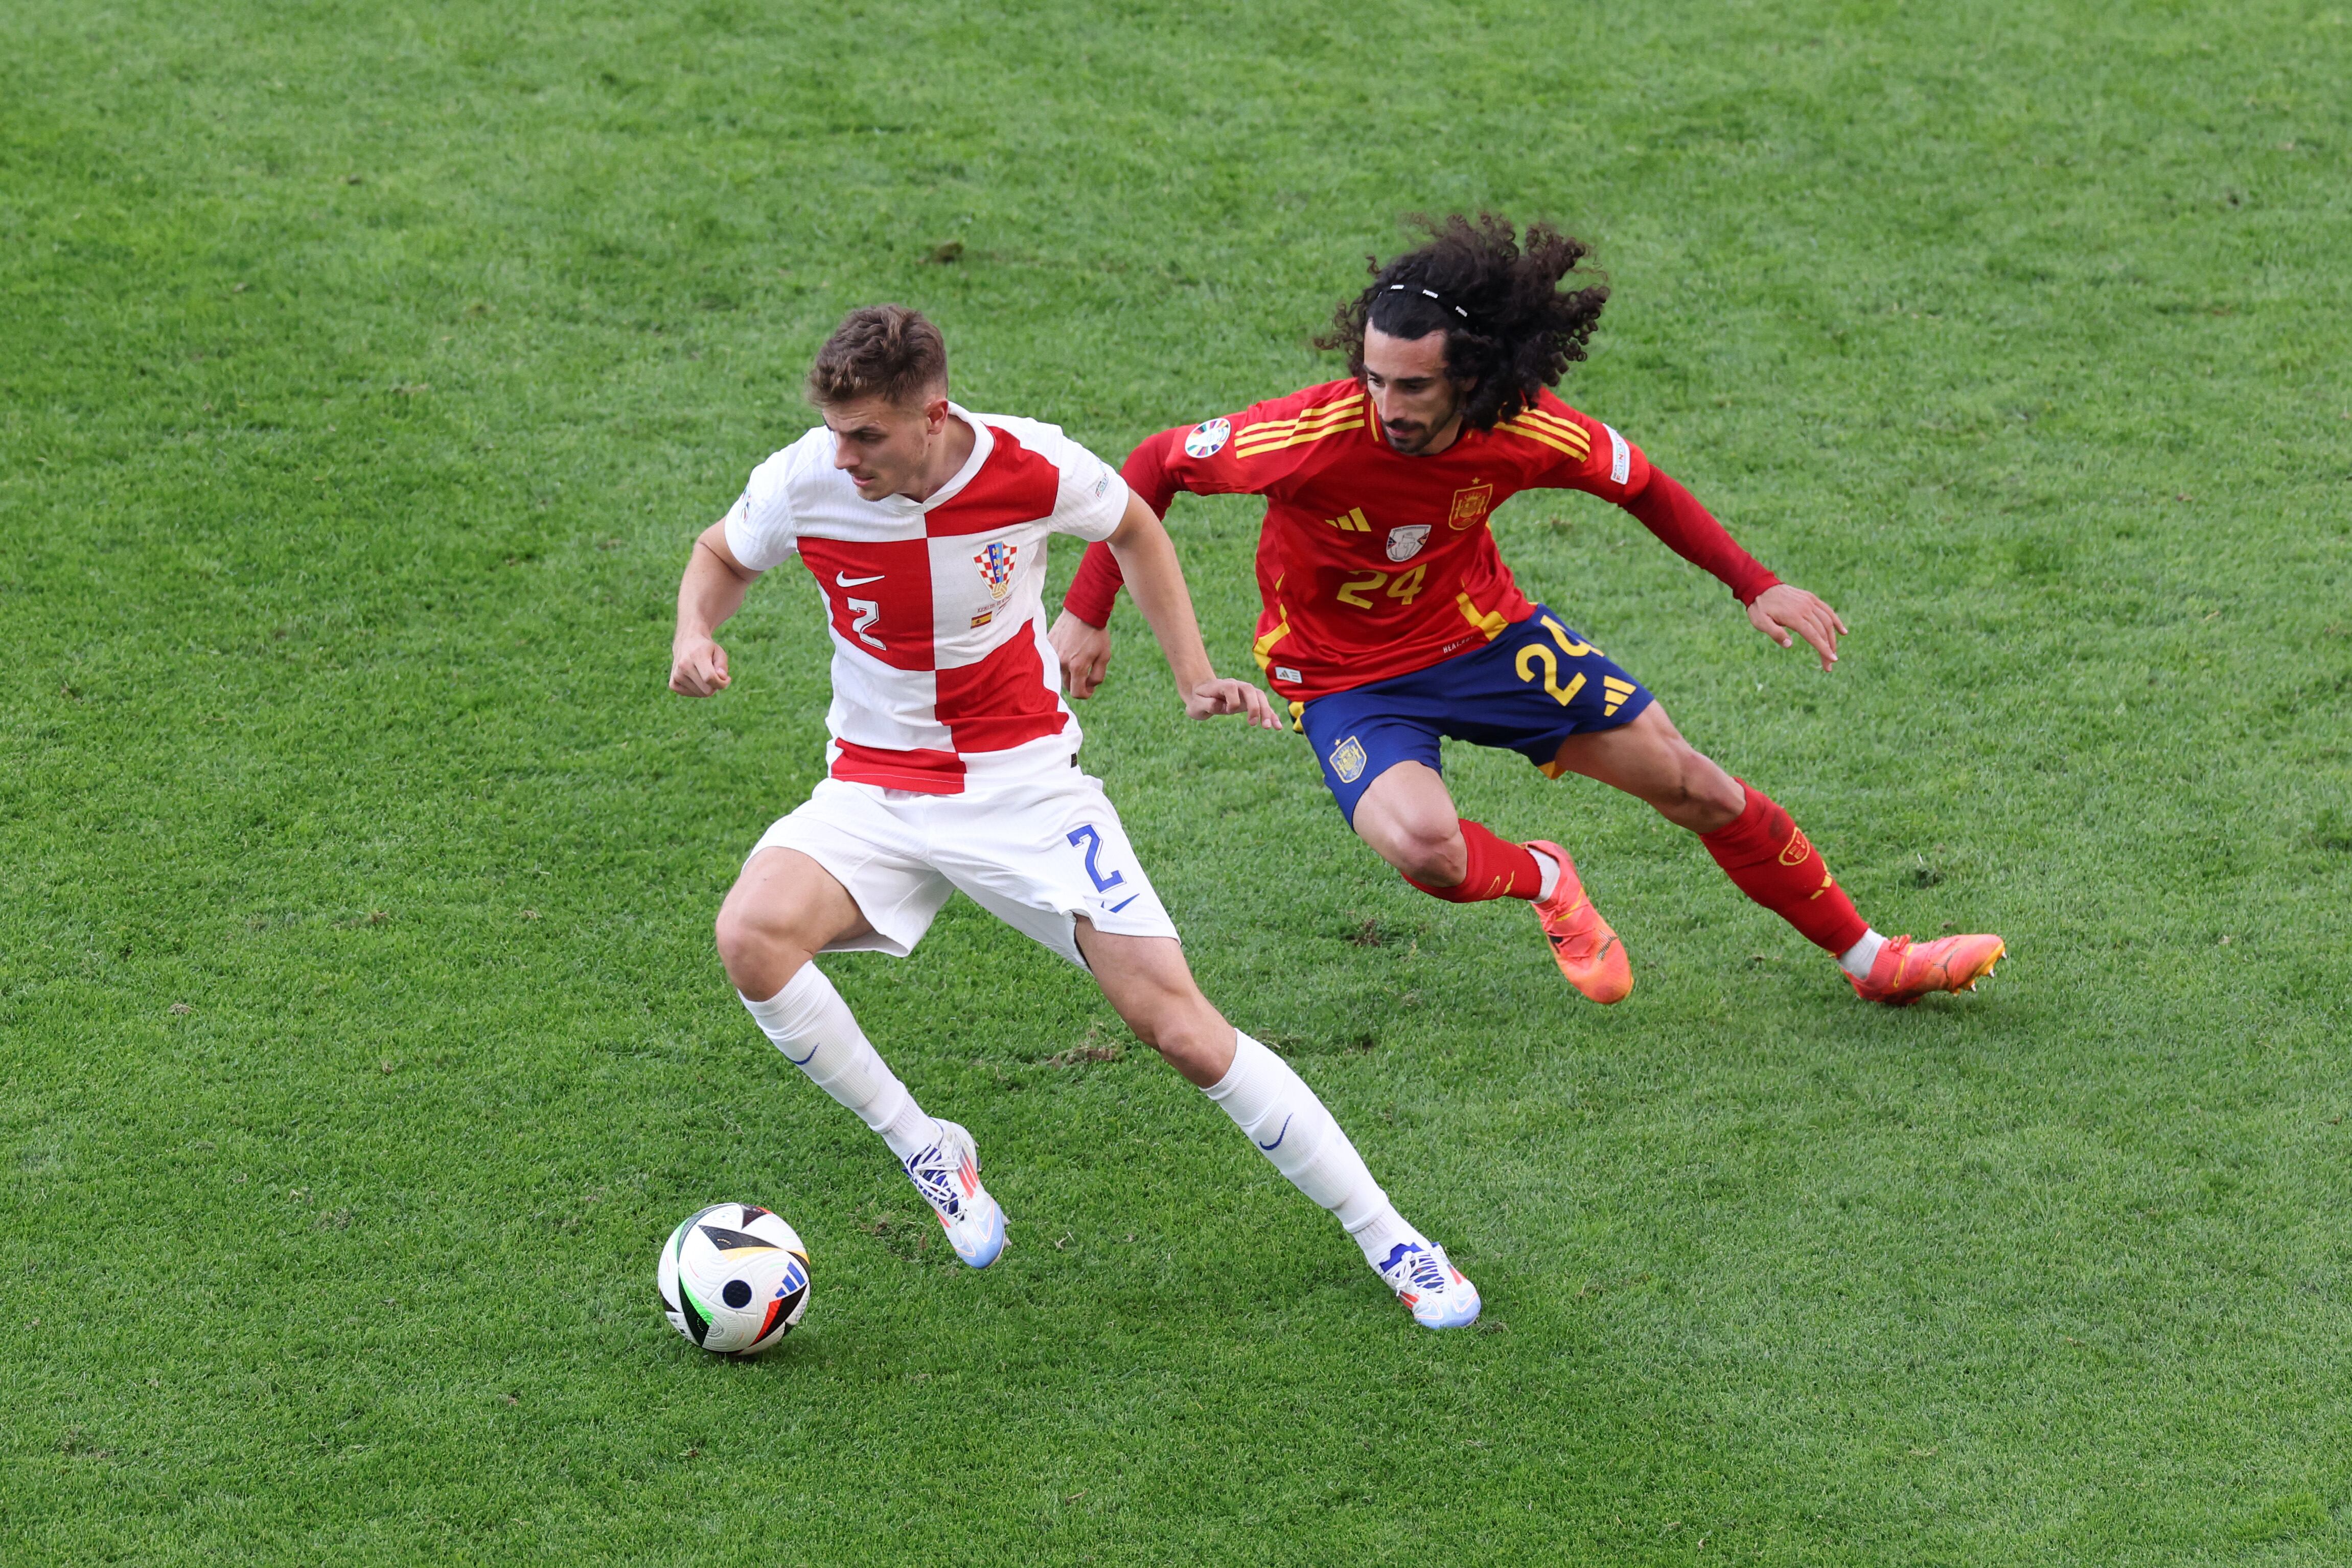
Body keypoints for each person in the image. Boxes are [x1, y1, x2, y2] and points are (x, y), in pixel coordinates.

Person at [667, 304, 1481, 1328]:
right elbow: (722, 553)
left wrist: (1191, 673)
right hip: (874, 787)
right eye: (836, 431)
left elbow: (1135, 523)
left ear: (933, 415)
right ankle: (928, 1144)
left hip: (1023, 791)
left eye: (868, 435)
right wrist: (694, 630)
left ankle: (1392, 1238)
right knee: (750, 935)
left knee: (1182, 1031)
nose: (846, 455)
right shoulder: (807, 478)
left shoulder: (1031, 467)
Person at [1050, 215, 2004, 1007]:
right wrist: (1089, 612)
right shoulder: (1308, 436)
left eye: (1413, 385)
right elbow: (1153, 465)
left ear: (1472, 372)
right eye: (1374, 379)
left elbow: (1643, 486)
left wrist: (1756, 584)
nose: (1386, 405)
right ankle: (1546, 877)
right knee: (1426, 852)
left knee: (1696, 788)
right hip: (1342, 675)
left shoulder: (1526, 430)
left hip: (1485, 641)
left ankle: (1873, 960)